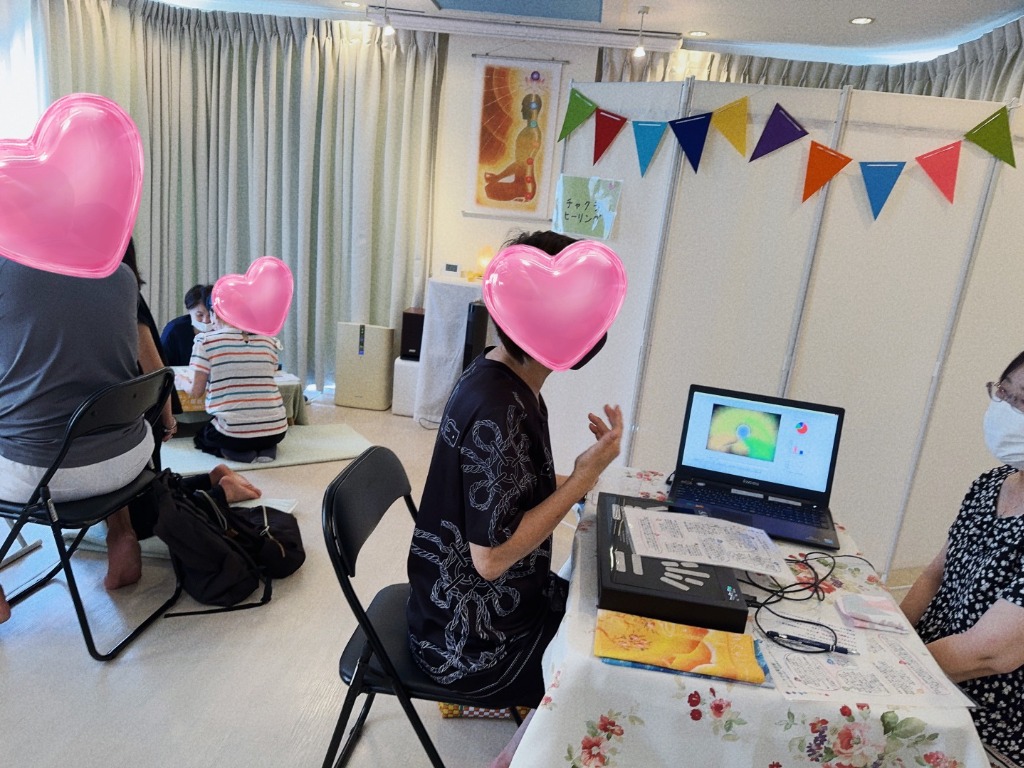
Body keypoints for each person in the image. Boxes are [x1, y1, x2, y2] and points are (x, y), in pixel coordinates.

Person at [405, 230, 623, 768]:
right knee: (609, 668)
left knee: (604, 603)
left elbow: (508, 496)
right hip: (468, 641)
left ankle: (519, 746)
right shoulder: (500, 407)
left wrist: (580, 474)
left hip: (452, 607)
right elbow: (491, 558)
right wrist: (582, 479)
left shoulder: (498, 373)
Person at [0, 255, 262, 626]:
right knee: (94, 408)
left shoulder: (6, 269)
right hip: (128, 463)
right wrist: (167, 417)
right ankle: (121, 534)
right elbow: (154, 366)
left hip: (41, 472)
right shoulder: (120, 275)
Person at [900, 350, 1024, 765]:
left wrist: (893, 667)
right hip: (927, 669)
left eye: (1023, 402)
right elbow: (934, 577)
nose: (1007, 410)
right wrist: (887, 637)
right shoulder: (992, 483)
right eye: (1004, 393)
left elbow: (990, 654)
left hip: (986, 722)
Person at [187, 293, 288, 464]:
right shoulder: (268, 341)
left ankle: (236, 453)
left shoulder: (205, 341)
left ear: (216, 313)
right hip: (277, 429)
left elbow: (196, 392)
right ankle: (267, 448)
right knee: (261, 431)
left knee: (202, 436)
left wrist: (181, 381)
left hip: (234, 433)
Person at [483, 93, 543, 203]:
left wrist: (527, 193)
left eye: (523, 107)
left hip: (525, 188)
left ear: (531, 109)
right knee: (489, 189)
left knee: (489, 190)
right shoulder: (530, 131)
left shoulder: (532, 133)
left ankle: (524, 194)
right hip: (523, 186)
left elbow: (523, 164)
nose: (521, 110)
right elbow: (519, 163)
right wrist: (498, 177)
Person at [160, 283, 213, 366]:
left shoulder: (223, 329)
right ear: (189, 310)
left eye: (210, 315)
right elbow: (161, 365)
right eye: (200, 315)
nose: (206, 320)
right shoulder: (174, 330)